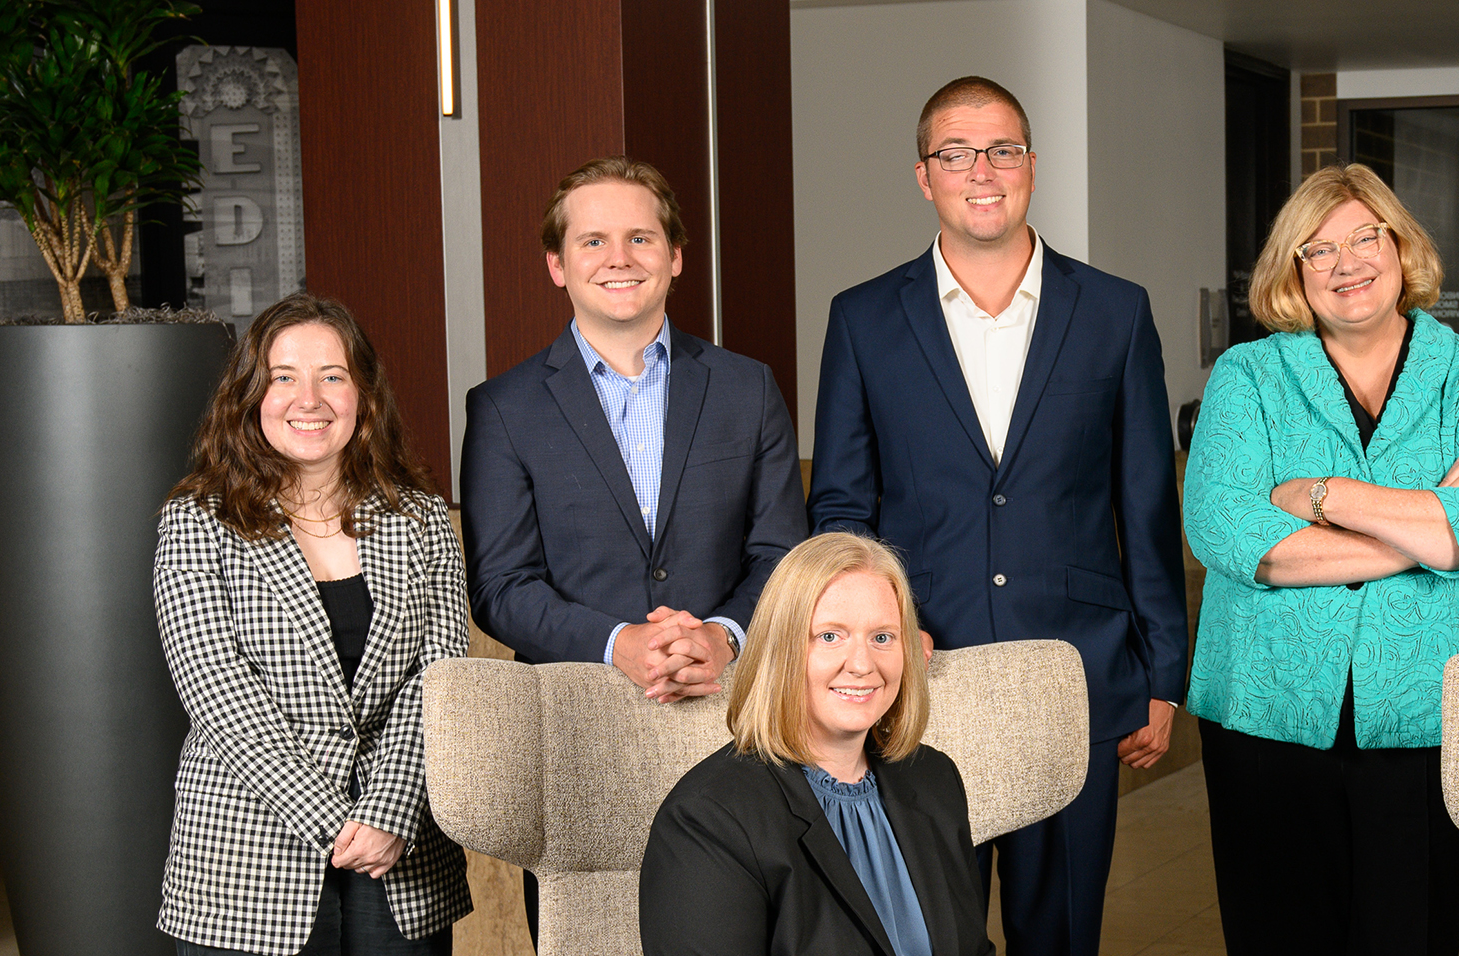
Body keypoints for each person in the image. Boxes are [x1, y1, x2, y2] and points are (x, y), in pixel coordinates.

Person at [810, 76, 1188, 956]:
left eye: (1002, 149)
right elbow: (838, 510)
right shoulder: (863, 319)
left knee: (1058, 934)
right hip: (917, 683)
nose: (981, 170)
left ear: (1029, 166)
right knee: (921, 933)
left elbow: (1145, 503)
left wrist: (1162, 673)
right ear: (924, 175)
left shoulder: (1114, 312)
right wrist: (871, 636)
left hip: (1076, 676)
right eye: (956, 152)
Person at [1182, 162, 1459, 955]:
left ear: (1401, 246)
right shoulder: (1249, 375)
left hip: (1431, 717)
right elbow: (1228, 533)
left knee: (1409, 938)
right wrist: (1422, 531)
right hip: (1265, 714)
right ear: (1293, 273)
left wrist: (1318, 494)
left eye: (1363, 237)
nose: (1346, 263)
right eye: (1317, 249)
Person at [153, 292, 471, 954]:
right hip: (246, 855)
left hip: (401, 854)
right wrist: (331, 821)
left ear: (363, 394)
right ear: (250, 396)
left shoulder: (421, 519)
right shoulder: (196, 522)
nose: (311, 399)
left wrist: (388, 813)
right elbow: (216, 691)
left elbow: (441, 678)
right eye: (284, 377)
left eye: (333, 376)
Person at [462, 155, 808, 696]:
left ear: (675, 257)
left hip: (730, 698)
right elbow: (501, 588)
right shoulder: (503, 409)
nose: (618, 259)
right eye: (593, 241)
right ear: (557, 265)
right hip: (572, 709)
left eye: (641, 239)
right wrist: (617, 641)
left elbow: (782, 556)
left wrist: (722, 638)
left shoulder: (749, 388)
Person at [642, 532, 990, 956]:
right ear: (781, 649)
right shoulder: (705, 819)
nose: (863, 664)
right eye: (830, 636)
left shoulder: (935, 778)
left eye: (882, 637)